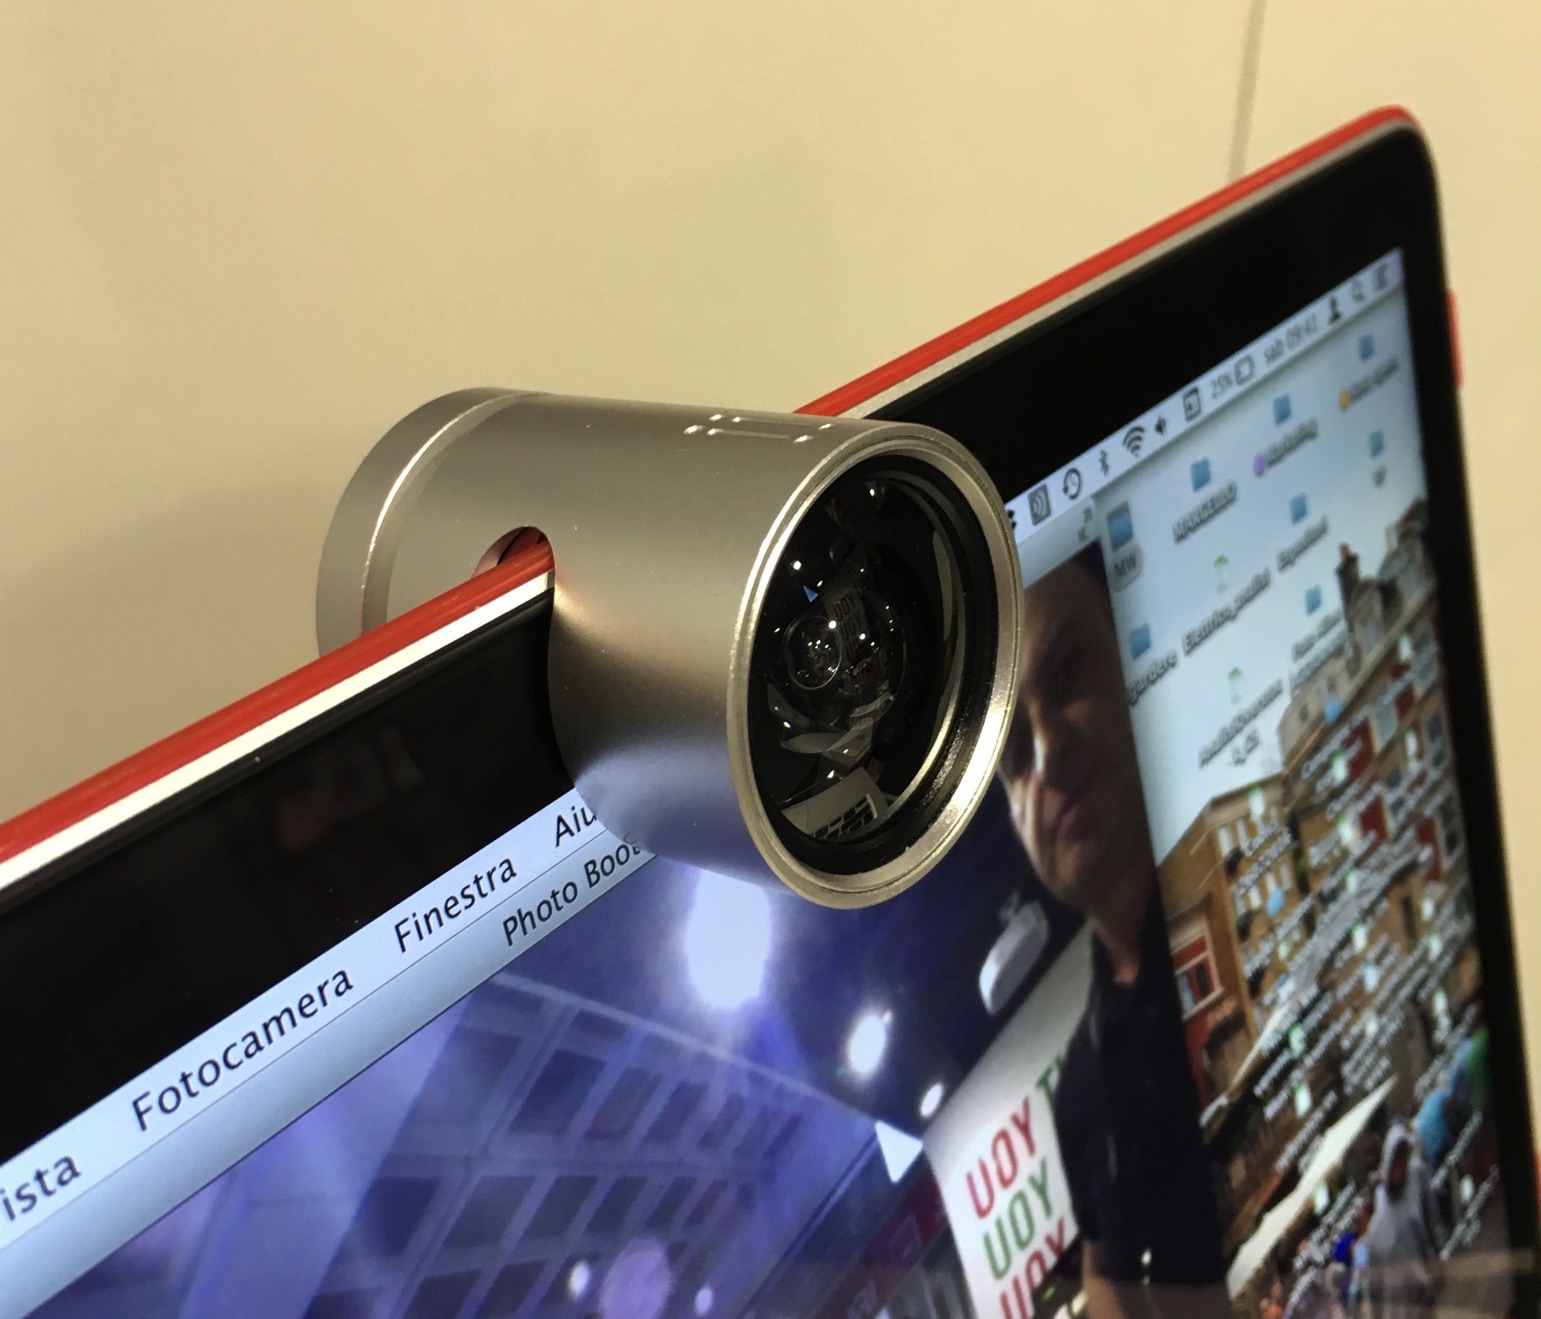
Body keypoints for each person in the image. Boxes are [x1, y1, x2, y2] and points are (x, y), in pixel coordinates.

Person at [999, 548, 1227, 1318]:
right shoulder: (1080, 1088)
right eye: (1013, 752)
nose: (1047, 748)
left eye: (1066, 673)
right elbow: (1105, 1267)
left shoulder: (1250, 879)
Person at [1361, 1125, 1440, 1319]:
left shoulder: (1416, 1178)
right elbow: (1373, 1291)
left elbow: (1429, 1232)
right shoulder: (1377, 1231)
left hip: (1423, 1301)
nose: (1398, 1169)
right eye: (1394, 1161)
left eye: (1402, 1160)